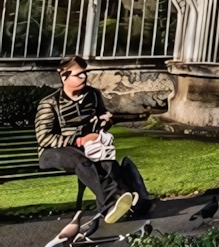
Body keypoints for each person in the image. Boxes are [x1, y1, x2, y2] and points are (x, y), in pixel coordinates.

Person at [34, 56, 150, 224]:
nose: (84, 78)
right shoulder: (50, 103)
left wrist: (105, 122)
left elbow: (100, 119)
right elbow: (44, 137)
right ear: (63, 76)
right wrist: (78, 139)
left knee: (105, 160)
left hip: (88, 147)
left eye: (85, 73)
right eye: (79, 75)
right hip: (52, 152)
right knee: (83, 161)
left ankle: (127, 200)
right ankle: (111, 203)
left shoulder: (92, 95)